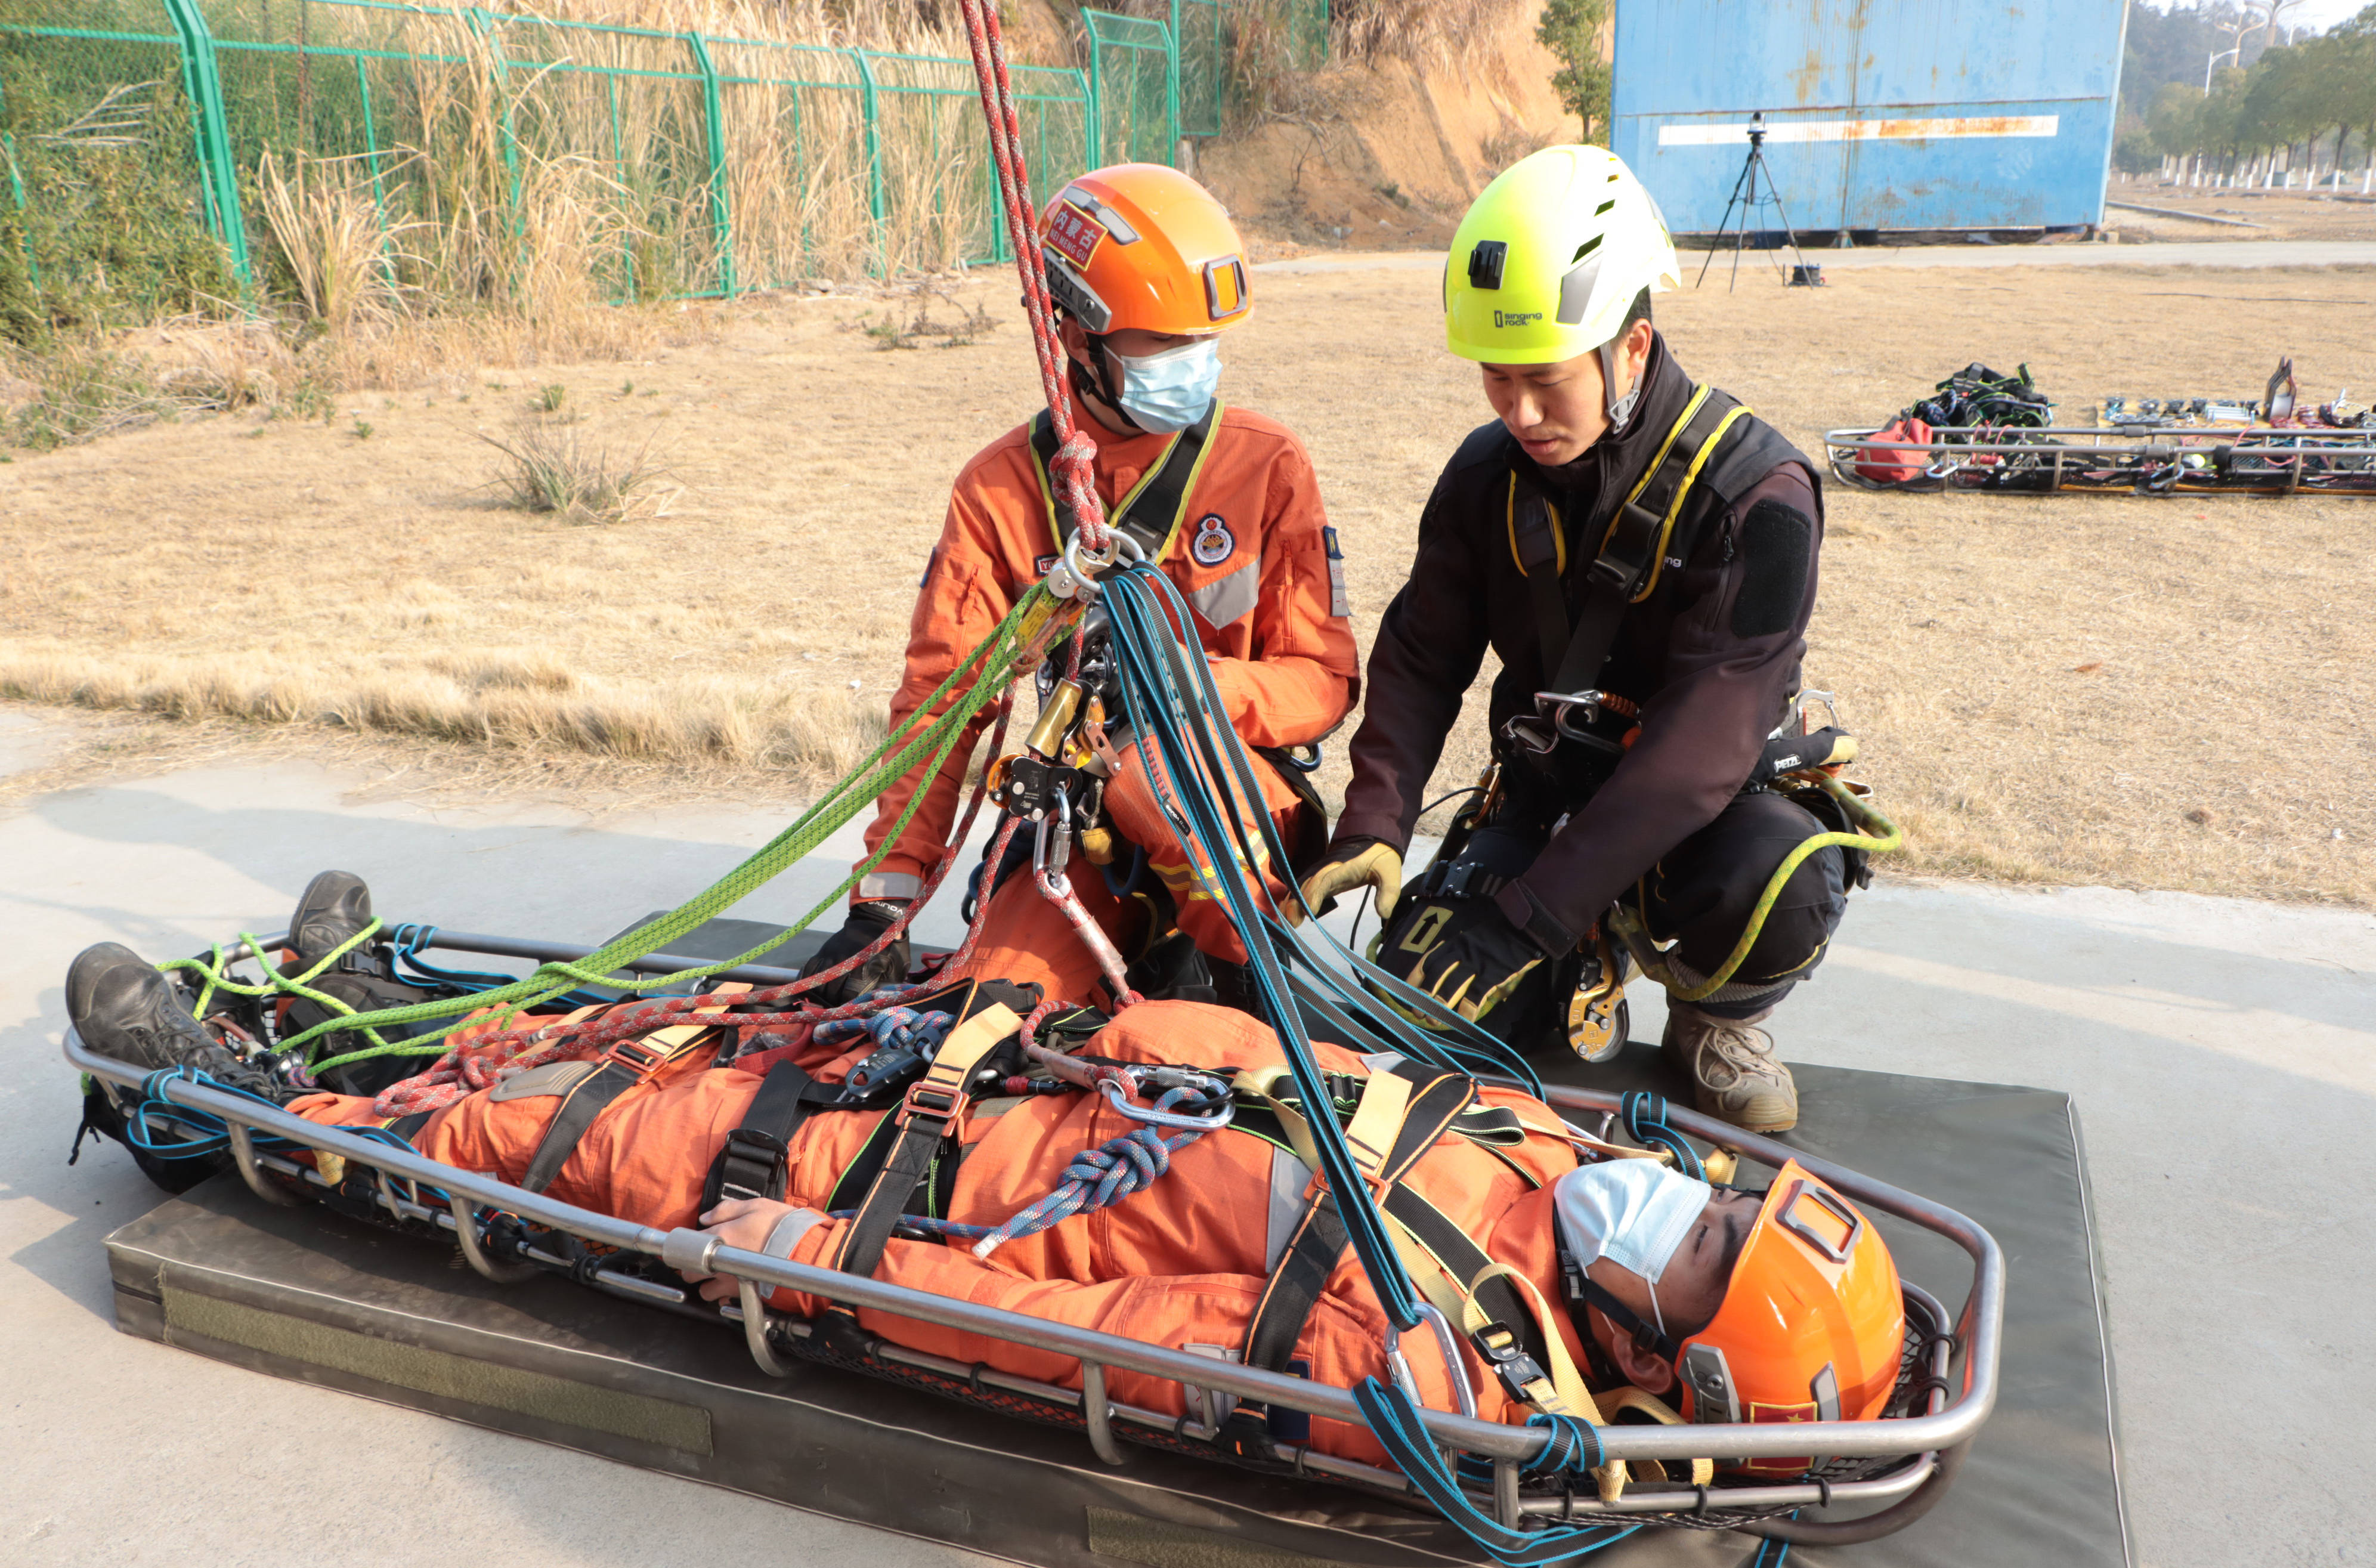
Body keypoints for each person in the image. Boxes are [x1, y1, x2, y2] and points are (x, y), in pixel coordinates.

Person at [64, 923, 1906, 1481]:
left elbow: (1083, 1340)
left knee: (591, 1141)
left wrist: (799, 1261)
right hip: (1017, 1062)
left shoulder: (1461, 1369)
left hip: (927, 1184)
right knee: (685, 1020)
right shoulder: (1558, 1158)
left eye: (1697, 1254)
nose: (1672, 1200)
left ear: (1673, 1372)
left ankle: (233, 1109)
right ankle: (376, 1003)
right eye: (1717, 1202)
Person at [1300, 147, 1865, 1133]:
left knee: (1779, 881)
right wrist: (1377, 822)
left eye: (1546, 381)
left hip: (1700, 821)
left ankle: (1712, 1017)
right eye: (1495, 378)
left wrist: (1532, 914)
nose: (1518, 412)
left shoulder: (1758, 499)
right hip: (1547, 795)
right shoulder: (1487, 476)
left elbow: (1699, 755)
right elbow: (1423, 654)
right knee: (1419, 1006)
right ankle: (1578, 964)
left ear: (1633, 349)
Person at [800, 163, 1359, 1012]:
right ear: (1073, 333)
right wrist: (887, 897)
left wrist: (1202, 689)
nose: (1195, 366)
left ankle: (1256, 987)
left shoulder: (1263, 467)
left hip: (1229, 812)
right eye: (1166, 345)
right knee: (995, 1009)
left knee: (1147, 769)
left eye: (1205, 344)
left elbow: (1323, 680)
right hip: (1084, 822)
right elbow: (941, 703)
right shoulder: (1004, 492)